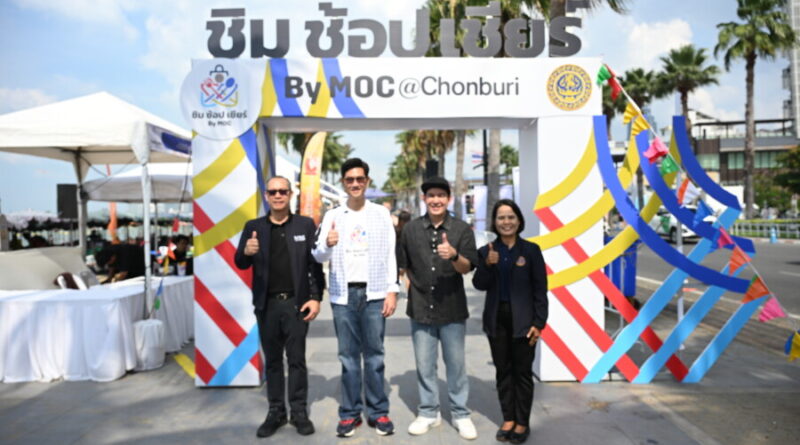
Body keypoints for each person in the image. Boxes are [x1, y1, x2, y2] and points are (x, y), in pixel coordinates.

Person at [312, 158, 399, 438]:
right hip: (343, 295)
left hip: (375, 293)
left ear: (367, 181)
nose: (355, 184)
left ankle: (378, 411)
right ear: (344, 183)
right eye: (350, 180)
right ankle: (350, 414)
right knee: (348, 357)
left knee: (375, 356)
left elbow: (391, 254)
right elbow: (317, 255)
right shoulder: (332, 216)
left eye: (360, 179)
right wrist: (328, 244)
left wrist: (392, 290)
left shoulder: (381, 214)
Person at [234, 176, 323, 439]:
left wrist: (316, 297)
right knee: (273, 361)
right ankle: (276, 411)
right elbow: (240, 262)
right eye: (272, 192)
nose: (277, 195)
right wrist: (247, 251)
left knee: (296, 360)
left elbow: (314, 265)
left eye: (282, 191)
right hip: (267, 305)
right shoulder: (253, 227)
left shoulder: (305, 225)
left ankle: (298, 412)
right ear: (266, 196)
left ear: (290, 194)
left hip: (297, 304)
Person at [398, 176, 479, 440]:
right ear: (424, 199)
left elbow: (467, 268)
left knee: (456, 365)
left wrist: (454, 255)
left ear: (448, 199)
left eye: (440, 196)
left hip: (452, 308)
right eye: (431, 195)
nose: (436, 200)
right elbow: (403, 265)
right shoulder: (411, 230)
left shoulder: (462, 229)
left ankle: (460, 413)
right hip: (420, 308)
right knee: (424, 365)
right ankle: (428, 412)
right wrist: (409, 287)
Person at [472, 199, 548, 445]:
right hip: (497, 320)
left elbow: (540, 289)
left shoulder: (531, 250)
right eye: (501, 217)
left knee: (522, 373)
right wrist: (487, 264)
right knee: (503, 371)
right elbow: (479, 284)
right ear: (494, 222)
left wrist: (539, 323)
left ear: (518, 220)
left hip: (524, 321)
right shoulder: (487, 250)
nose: (506, 222)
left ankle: (522, 422)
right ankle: (508, 419)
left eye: (510, 217)